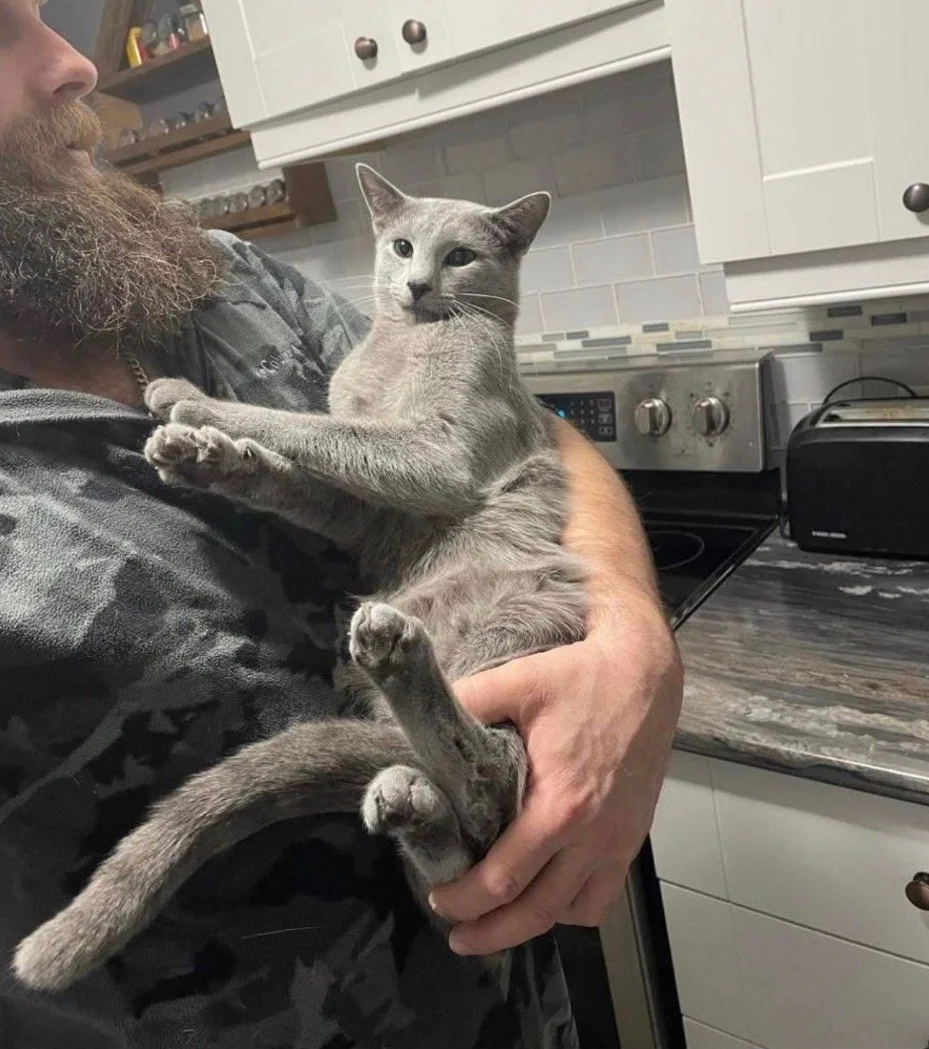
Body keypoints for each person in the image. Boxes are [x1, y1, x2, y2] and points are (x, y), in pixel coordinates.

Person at [0, 2, 683, 1046]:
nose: (72, 64)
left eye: (45, 14)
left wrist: (633, 636)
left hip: (513, 1000)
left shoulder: (214, 272)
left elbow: (512, 442)